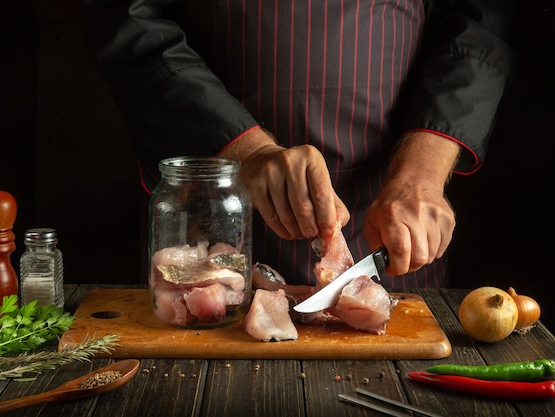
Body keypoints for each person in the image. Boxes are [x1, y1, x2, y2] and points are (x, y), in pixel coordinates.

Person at [81, 0, 516, 288]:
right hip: (205, 206)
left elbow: (476, 22)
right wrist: (244, 152)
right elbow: (126, 17)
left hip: (385, 214)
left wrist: (422, 172)